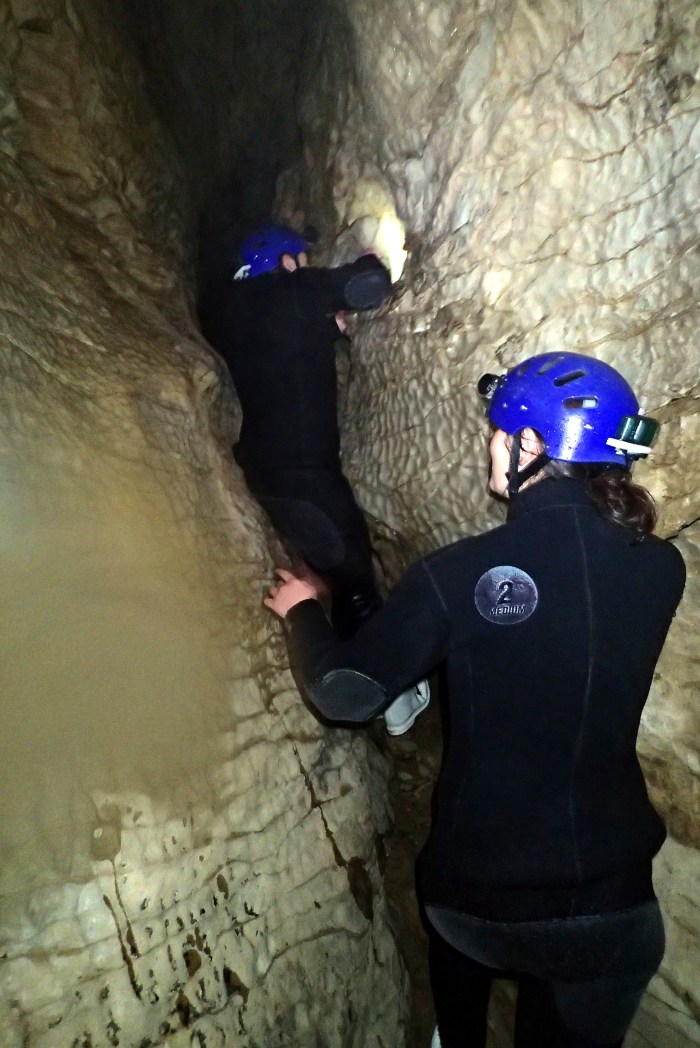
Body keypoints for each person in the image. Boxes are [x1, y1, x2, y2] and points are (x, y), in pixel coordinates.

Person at [264, 350, 686, 1047]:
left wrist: (305, 612)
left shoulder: (457, 575)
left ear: (530, 447)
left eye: (498, 432)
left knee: (458, 954)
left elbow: (344, 692)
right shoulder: (662, 568)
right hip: (613, 912)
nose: (490, 445)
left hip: (480, 899)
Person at [202, 224, 430, 735]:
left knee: (337, 568)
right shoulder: (292, 292)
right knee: (353, 579)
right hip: (308, 478)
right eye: (300, 259)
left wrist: (327, 326)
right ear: (282, 263)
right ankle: (392, 701)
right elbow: (368, 285)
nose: (305, 266)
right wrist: (371, 257)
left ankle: (363, 680)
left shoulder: (231, 313)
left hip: (267, 474)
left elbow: (280, 355)